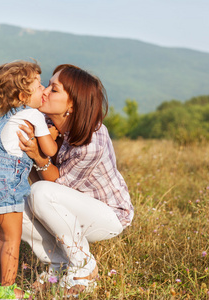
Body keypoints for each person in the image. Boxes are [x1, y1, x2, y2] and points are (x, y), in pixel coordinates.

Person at [17, 64, 134, 296]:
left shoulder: (92, 141)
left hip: (108, 215)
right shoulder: (44, 121)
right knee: (13, 200)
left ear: (72, 104)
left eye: (55, 89)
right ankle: (58, 267)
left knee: (40, 192)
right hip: (67, 206)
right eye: (48, 84)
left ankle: (83, 268)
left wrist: (38, 155)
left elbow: (55, 186)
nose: (45, 91)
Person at [0, 60, 59, 299]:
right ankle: (9, 291)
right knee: (12, 240)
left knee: (2, 238)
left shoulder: (7, 116)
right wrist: (54, 133)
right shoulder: (33, 114)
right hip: (5, 184)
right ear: (24, 94)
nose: (44, 89)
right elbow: (50, 150)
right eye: (39, 85)